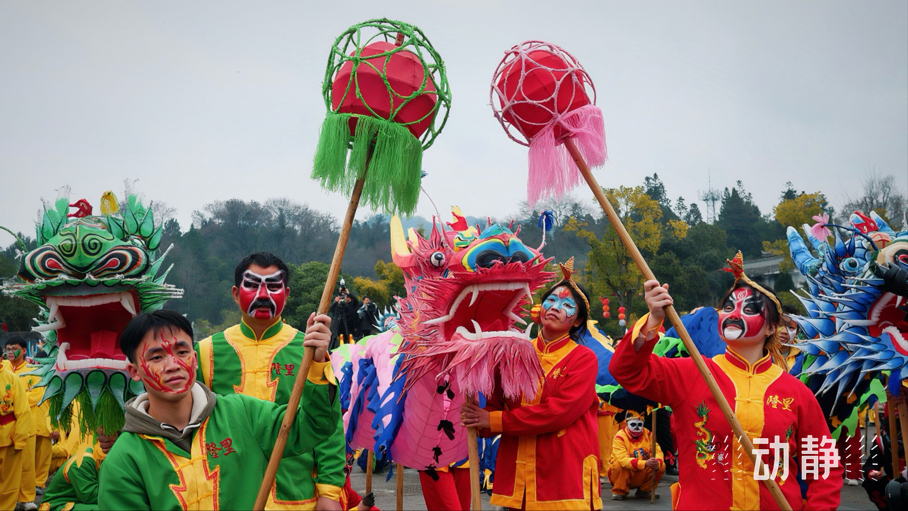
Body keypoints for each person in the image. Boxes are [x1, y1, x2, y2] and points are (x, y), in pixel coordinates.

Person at [610, 252, 843, 510]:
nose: (735, 313)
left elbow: (824, 465)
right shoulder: (692, 373)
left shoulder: (796, 392)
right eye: (729, 307)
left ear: (771, 328)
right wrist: (653, 318)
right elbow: (627, 371)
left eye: (750, 309)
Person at [98, 309, 340, 509]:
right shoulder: (124, 460)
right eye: (157, 357)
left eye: (181, 352)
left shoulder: (243, 414)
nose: (173, 365)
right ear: (134, 372)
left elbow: (311, 425)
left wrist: (317, 364)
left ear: (194, 357)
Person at [194, 252, 346, 510]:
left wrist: (329, 492)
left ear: (286, 294)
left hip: (294, 495)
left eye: (273, 287)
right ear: (234, 292)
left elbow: (327, 426)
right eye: (252, 285)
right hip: (227, 496)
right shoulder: (205, 352)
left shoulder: (309, 349)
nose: (262, 295)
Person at [462, 258, 602, 511]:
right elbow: (492, 408)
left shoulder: (583, 359)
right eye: (551, 300)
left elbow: (558, 413)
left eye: (567, 305)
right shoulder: (511, 352)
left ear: (578, 321)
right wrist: (476, 414)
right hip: (516, 477)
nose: (556, 307)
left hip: (561, 478)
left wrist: (493, 420)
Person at [7, 336, 50, 511]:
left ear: (24, 350)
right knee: (8, 464)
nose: (10, 351)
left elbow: (38, 394)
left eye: (14, 348)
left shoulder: (33, 371)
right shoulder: (4, 370)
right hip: (6, 427)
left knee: (26, 464)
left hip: (27, 424)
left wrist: (16, 398)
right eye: (8, 348)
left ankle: (25, 499)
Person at [38, 428, 118, 511]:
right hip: (58, 505)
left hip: (78, 503)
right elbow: (90, 497)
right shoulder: (83, 461)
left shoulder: (107, 459)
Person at [608, 410, 665, 500]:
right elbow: (623, 460)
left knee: (660, 465)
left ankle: (645, 490)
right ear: (627, 424)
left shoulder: (649, 434)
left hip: (641, 473)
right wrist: (645, 463)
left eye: (640, 425)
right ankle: (620, 491)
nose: (637, 428)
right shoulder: (620, 437)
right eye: (633, 425)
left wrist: (656, 462)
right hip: (623, 474)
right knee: (620, 465)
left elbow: (658, 451)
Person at [0, 358, 32, 511]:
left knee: (9, 480)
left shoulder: (12, 378)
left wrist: (19, 439)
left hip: (8, 437)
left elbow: (23, 411)